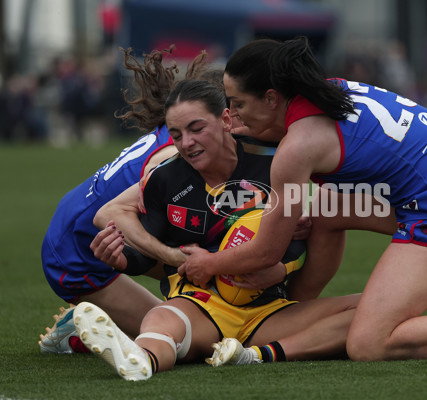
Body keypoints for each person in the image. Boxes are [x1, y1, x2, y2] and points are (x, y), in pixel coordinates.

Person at [175, 37, 427, 364]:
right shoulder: (323, 91)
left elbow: (265, 252)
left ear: (271, 97)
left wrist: (209, 263)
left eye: (238, 103)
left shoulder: (298, 148)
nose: (231, 113)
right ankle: (295, 310)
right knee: (324, 210)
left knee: (369, 345)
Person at [76, 78, 360, 381]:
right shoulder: (163, 181)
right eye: (176, 135)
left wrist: (280, 269)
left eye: (197, 129)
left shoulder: (275, 163)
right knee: (161, 318)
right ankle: (139, 359)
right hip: (201, 305)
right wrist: (123, 261)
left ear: (225, 120)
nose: (186, 143)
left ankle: (258, 355)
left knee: (365, 310)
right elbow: (149, 252)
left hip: (268, 310)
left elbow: (299, 240)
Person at [38, 46, 209, 353]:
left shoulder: (183, 132)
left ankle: (108, 320)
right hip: (76, 253)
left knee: (200, 310)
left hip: (84, 223)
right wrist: (172, 258)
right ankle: (77, 329)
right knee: (190, 339)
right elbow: (112, 216)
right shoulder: (181, 154)